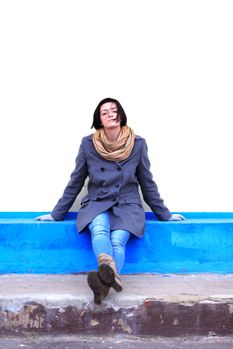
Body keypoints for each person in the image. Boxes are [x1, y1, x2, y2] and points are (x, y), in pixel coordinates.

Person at [36, 97, 185, 304]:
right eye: (104, 112)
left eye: (113, 110)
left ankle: (102, 286)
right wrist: (56, 214)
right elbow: (76, 179)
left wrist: (165, 214)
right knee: (99, 230)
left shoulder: (138, 144)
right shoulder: (88, 144)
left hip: (127, 204)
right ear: (99, 120)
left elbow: (147, 181)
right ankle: (109, 274)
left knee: (117, 241)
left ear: (121, 114)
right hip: (97, 201)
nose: (110, 114)